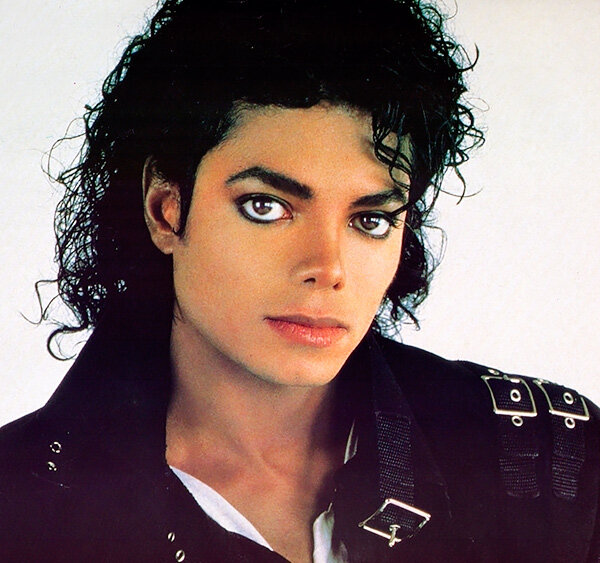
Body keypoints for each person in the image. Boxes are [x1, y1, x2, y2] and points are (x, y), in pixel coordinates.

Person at [0, 0, 598, 561]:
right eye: (266, 206)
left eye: (370, 219)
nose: (328, 268)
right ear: (166, 208)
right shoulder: (21, 510)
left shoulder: (552, 461)